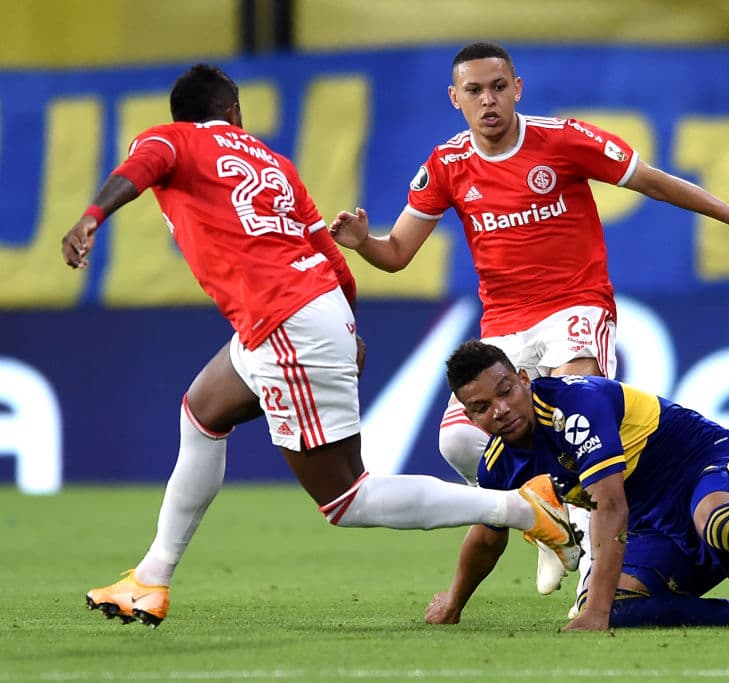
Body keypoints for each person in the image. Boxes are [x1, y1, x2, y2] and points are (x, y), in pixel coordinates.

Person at [60, 64, 582, 629]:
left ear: (182, 116)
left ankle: (524, 508)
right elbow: (333, 259)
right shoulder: (274, 164)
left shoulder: (171, 138)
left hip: (285, 322)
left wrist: (92, 217)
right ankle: (151, 577)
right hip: (301, 311)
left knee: (346, 499)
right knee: (202, 411)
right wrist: (348, 327)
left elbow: (140, 166)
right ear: (235, 113)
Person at [329, 41, 729, 597]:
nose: (489, 101)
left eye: (498, 87)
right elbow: (398, 253)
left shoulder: (563, 140)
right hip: (504, 324)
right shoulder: (447, 164)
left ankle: (588, 530)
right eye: (475, 91)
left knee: (571, 408)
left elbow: (651, 179)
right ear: (454, 98)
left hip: (575, 307)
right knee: (457, 443)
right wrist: (364, 244)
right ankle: (552, 526)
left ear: (517, 89)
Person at [423, 340, 729, 631]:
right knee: (620, 609)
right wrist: (454, 601)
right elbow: (489, 533)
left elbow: (610, 506)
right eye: (482, 408)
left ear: (525, 379)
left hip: (710, 465)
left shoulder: (576, 407)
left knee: (718, 523)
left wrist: (592, 613)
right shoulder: (499, 458)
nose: (501, 410)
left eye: (506, 391)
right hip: (655, 526)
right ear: (468, 415)